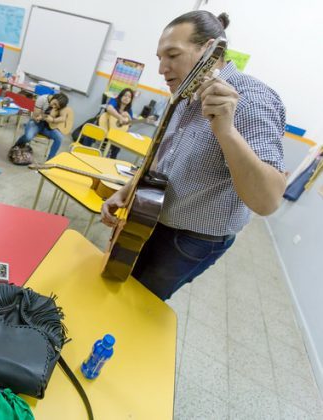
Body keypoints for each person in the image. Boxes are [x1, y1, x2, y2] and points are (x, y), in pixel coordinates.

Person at [101, 11, 286, 301]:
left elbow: (268, 200)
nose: (162, 68)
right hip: (151, 217)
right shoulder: (184, 92)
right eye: (160, 57)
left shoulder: (252, 101)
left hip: (191, 239)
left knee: (141, 301)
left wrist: (225, 130)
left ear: (209, 50)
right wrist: (126, 191)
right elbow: (162, 156)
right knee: (120, 285)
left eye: (172, 55)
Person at [13, 92, 69, 161]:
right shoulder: (42, 99)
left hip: (49, 127)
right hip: (36, 123)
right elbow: (35, 116)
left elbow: (63, 118)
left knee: (59, 138)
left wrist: (53, 120)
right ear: (54, 97)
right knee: (28, 137)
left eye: (57, 107)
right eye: (54, 104)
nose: (54, 107)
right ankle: (16, 146)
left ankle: (49, 160)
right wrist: (43, 117)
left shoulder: (61, 106)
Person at [97, 88, 135, 158]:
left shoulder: (129, 110)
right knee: (94, 129)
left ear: (131, 100)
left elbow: (130, 124)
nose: (127, 98)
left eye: (129, 97)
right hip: (105, 127)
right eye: (125, 95)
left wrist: (129, 117)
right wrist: (120, 117)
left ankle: (111, 160)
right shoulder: (114, 100)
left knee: (118, 144)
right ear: (121, 96)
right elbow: (109, 108)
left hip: (115, 133)